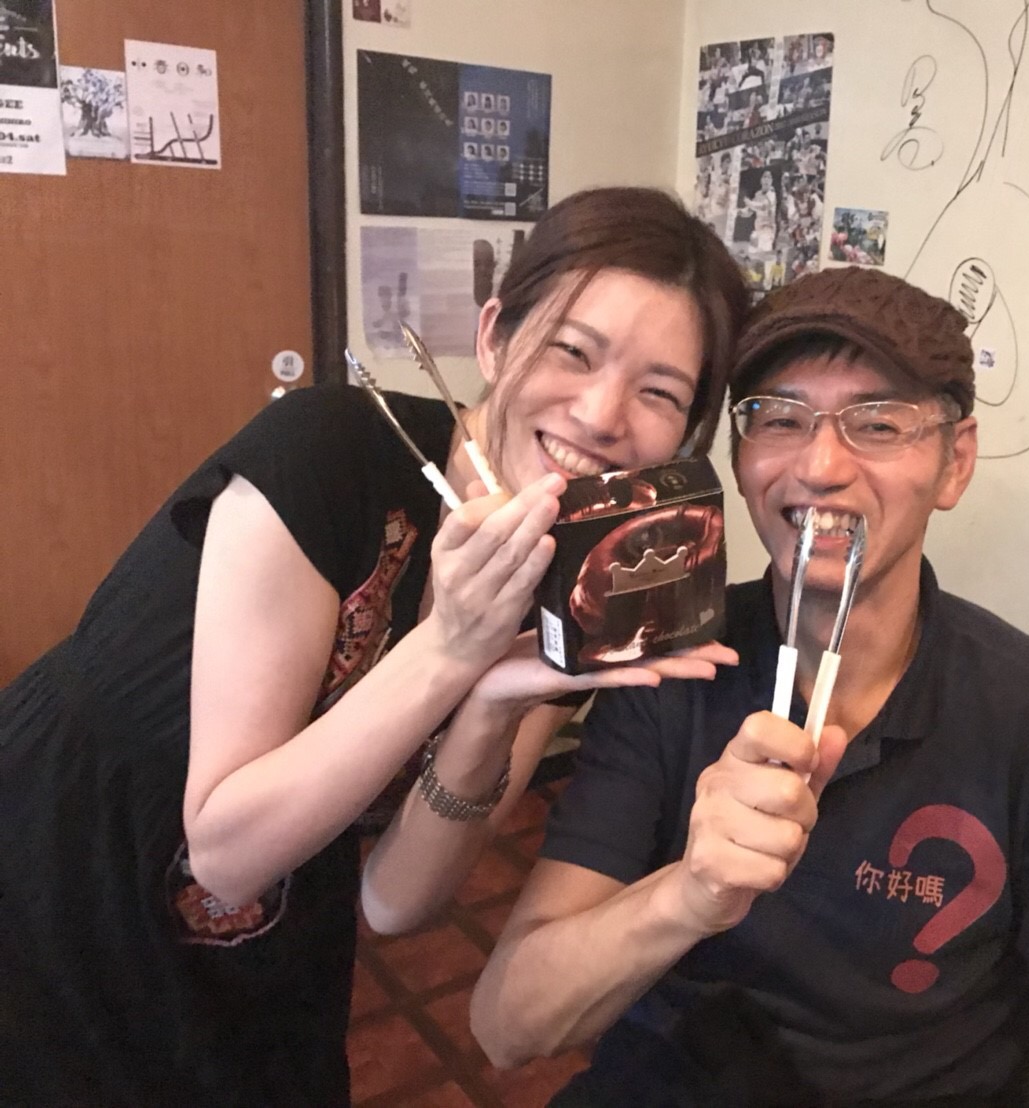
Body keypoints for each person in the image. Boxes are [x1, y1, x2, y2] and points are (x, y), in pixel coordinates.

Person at [0, 186, 749, 1106]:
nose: (602, 414)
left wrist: (488, 708)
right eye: (572, 350)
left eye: (659, 393)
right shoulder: (330, 453)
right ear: (494, 337)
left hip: (272, 918)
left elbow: (396, 903)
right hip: (63, 858)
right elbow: (226, 850)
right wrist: (452, 649)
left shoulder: (576, 587)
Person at [471, 266, 1029, 1106]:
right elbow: (507, 1026)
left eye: (878, 423)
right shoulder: (670, 669)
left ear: (955, 463)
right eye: (780, 418)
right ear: (740, 458)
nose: (822, 464)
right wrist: (689, 896)